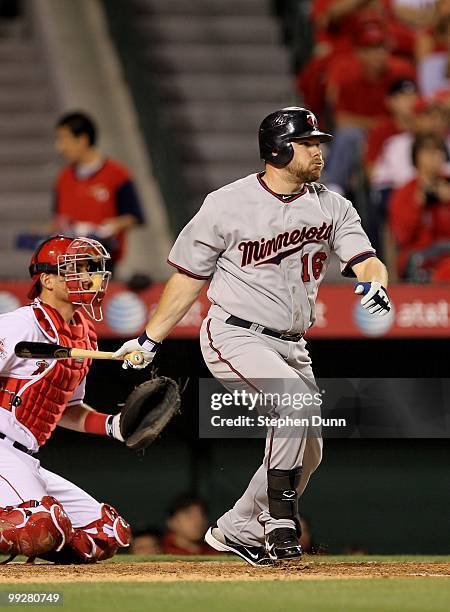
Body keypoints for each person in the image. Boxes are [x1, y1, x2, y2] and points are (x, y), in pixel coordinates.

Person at [112, 107, 391, 566]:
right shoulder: (226, 203)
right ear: (279, 149)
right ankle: (280, 518)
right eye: (308, 143)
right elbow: (187, 278)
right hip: (235, 333)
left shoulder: (333, 204)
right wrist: (149, 339)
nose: (319, 150)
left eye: (318, 142)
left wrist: (374, 281)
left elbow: (365, 258)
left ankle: (236, 528)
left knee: (310, 451)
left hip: (293, 343)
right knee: (293, 405)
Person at [0, 235, 131, 563]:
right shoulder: (19, 324)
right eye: (76, 268)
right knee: (39, 526)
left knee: (102, 534)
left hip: (26, 456)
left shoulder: (83, 336)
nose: (89, 277)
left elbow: (67, 408)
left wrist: (114, 425)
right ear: (47, 280)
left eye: (91, 269)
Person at [53, 112, 145, 270]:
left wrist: (110, 227)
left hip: (103, 262)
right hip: (67, 262)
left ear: (82, 140)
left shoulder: (117, 174)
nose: (59, 147)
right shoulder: (63, 178)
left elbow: (135, 216)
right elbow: (57, 218)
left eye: (64, 139)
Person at [388, 132, 450, 280]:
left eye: (438, 151)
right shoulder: (405, 193)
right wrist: (417, 205)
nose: (435, 156)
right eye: (428, 151)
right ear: (416, 157)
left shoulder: (447, 185)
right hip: (419, 256)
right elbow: (402, 237)